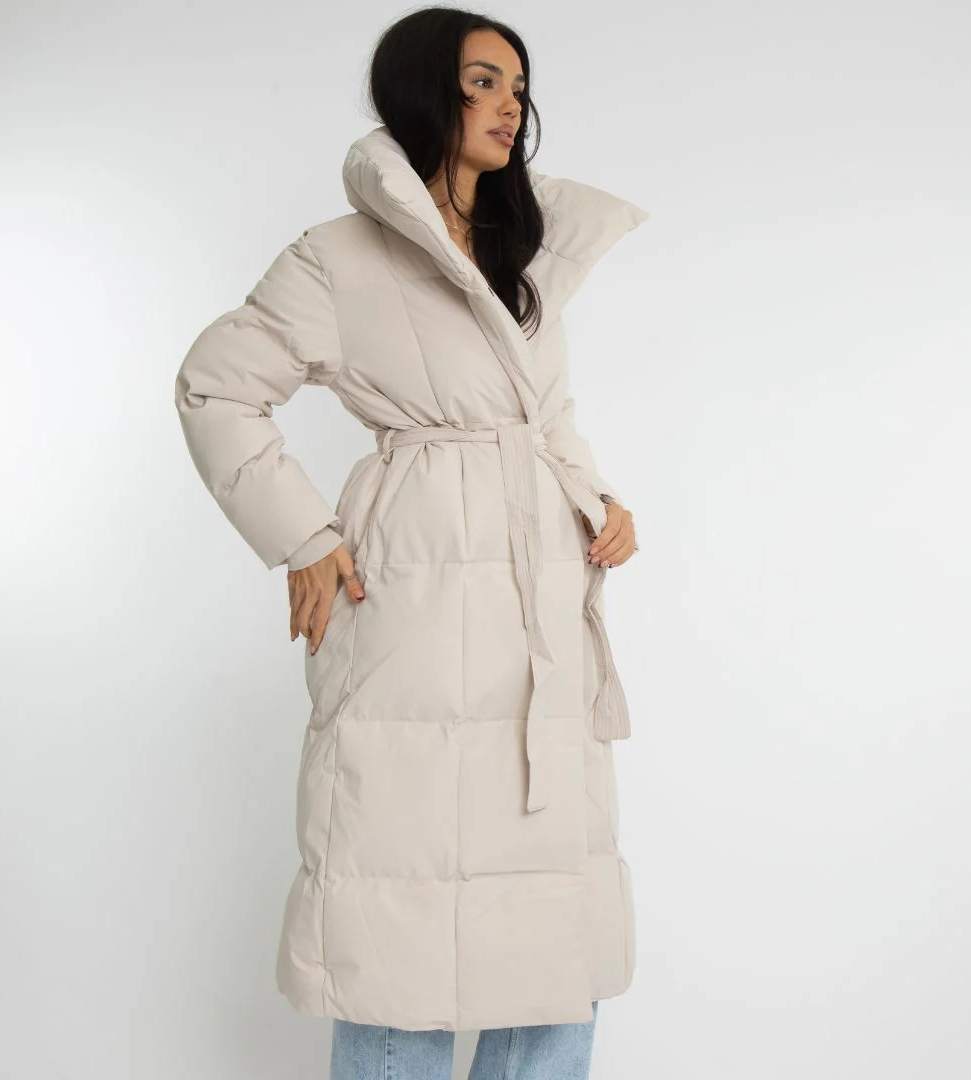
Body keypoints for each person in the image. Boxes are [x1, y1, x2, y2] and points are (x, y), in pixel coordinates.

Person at [173, 7, 647, 1078]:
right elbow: (215, 386)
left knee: (552, 940)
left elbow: (546, 417)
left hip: (540, 606)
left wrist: (598, 499)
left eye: (518, 85)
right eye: (483, 81)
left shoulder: (525, 252)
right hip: (415, 595)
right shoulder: (338, 258)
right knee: (399, 927)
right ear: (426, 92)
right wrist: (303, 535)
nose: (510, 104)